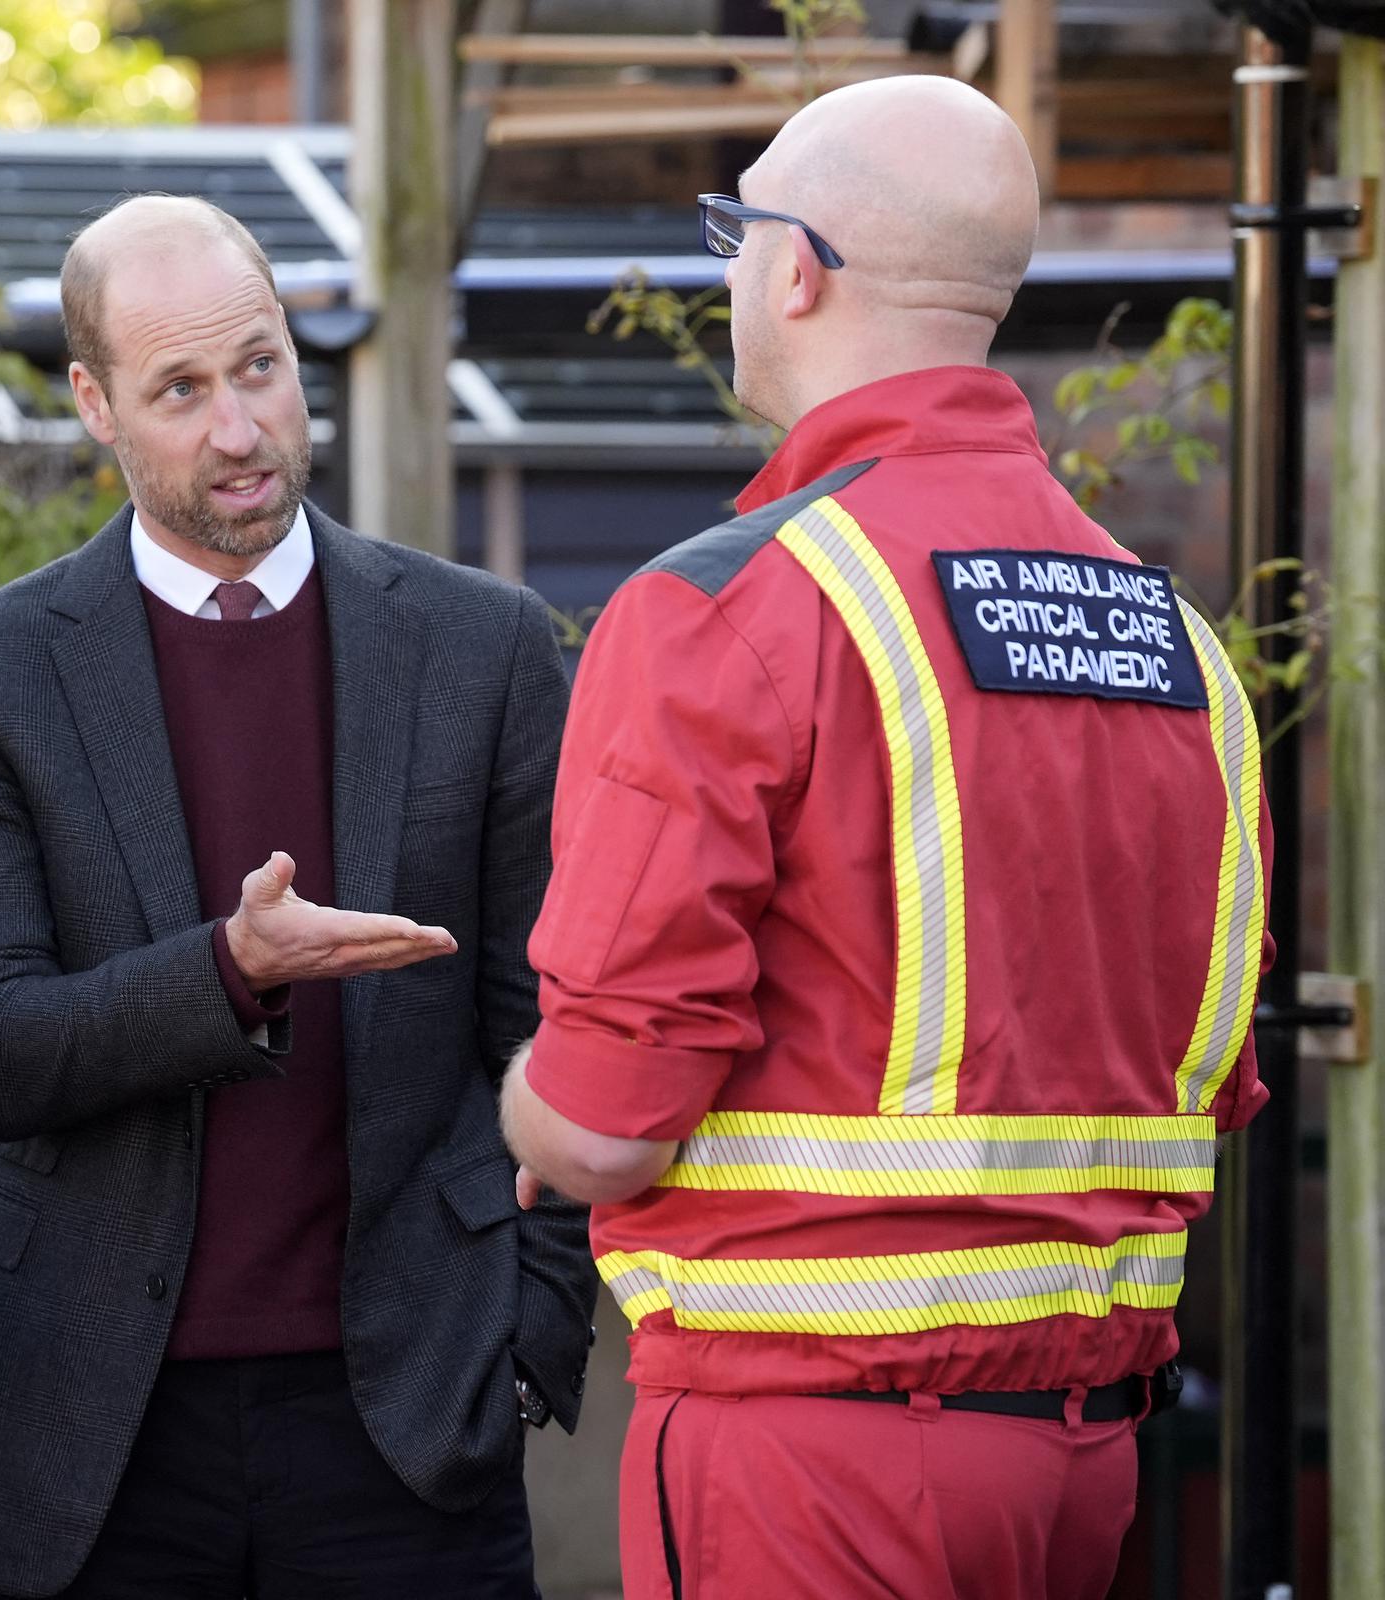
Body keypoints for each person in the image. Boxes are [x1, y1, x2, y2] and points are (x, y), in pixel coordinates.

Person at [499, 78, 1272, 1600]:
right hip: (1086, 1461)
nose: (731, 271)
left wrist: (525, 1105)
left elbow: (603, 1129)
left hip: (810, 1454)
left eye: (734, 233)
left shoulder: (728, 610)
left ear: (796, 266)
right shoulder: (1179, 644)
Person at [0, 196, 597, 1599]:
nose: (239, 429)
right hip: (92, 1433)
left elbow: (557, 1023)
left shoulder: (485, 648)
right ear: (94, 402)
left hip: (409, 1413)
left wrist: (534, 1334)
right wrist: (229, 971)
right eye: (182, 390)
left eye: (260, 367)